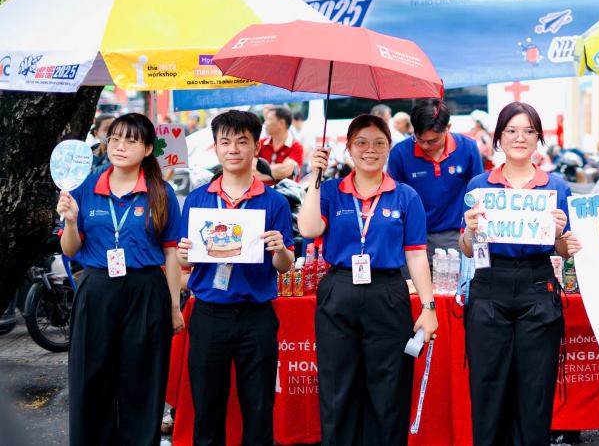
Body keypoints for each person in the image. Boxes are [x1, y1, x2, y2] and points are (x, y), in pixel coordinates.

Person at [299, 114, 438, 446]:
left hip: (387, 293)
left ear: (389, 147)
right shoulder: (331, 191)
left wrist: (429, 306)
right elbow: (308, 230)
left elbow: (417, 254)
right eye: (361, 142)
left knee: (389, 388)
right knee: (337, 386)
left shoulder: (405, 196)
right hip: (339, 291)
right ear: (348, 148)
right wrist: (315, 176)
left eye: (379, 142)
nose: (370, 150)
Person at [57, 113, 184, 446]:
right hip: (97, 290)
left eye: (130, 140)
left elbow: (171, 254)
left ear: (146, 149)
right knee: (91, 378)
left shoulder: (161, 192)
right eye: (114, 138)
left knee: (141, 381)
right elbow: (71, 249)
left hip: (146, 292)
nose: (120, 146)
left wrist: (174, 306)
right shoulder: (86, 186)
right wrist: (70, 222)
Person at [461, 101, 581, 446]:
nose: (520, 137)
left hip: (536, 285)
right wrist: (469, 231)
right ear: (498, 137)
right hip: (488, 283)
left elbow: (563, 250)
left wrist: (561, 234)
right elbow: (469, 249)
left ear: (538, 138)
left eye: (528, 131)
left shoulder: (555, 187)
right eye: (511, 130)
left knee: (535, 390)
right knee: (487, 387)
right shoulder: (479, 185)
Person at [176, 110, 295, 446]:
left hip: (256, 317)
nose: (233, 149)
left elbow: (285, 265)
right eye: (225, 141)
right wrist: (185, 254)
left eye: (242, 141)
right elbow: (186, 260)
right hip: (209, 314)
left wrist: (280, 250)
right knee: (207, 411)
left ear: (256, 147)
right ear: (215, 147)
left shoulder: (275, 203)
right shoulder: (199, 200)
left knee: (258, 410)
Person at [387, 99, 483, 257]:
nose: (425, 146)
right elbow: (394, 198)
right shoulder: (400, 153)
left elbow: (478, 193)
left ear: (448, 128)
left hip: (455, 236)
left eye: (433, 141)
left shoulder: (468, 148)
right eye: (419, 139)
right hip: (414, 237)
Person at [256, 105, 303, 185]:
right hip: (262, 193)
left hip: (285, 195)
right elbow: (249, 169)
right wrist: (278, 170)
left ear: (281, 123)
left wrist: (259, 171)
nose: (265, 123)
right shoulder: (261, 143)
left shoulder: (296, 147)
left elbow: (284, 171)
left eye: (269, 119)